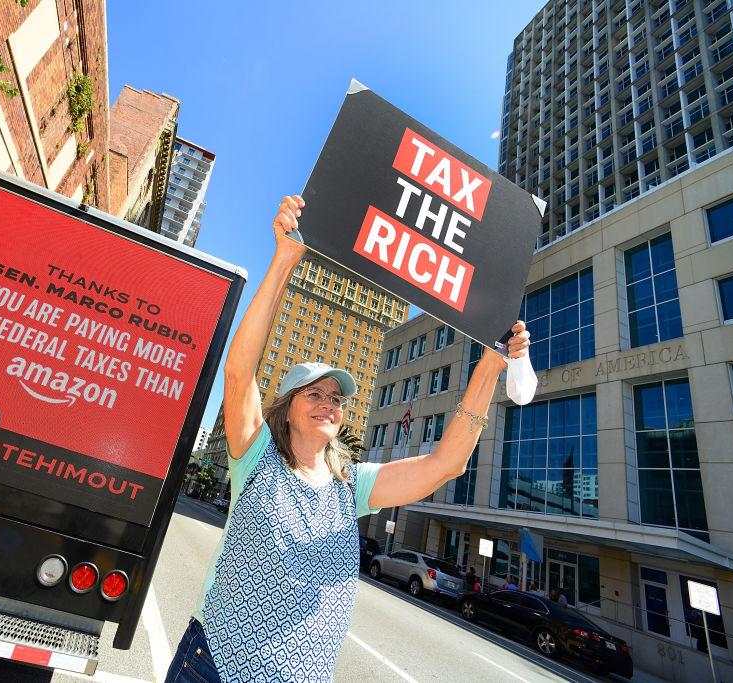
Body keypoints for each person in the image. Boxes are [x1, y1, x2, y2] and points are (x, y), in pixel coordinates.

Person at [164, 195, 532, 682]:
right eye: (313, 392)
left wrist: (489, 366)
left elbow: (444, 467)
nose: (328, 402)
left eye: (337, 398)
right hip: (215, 667)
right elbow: (239, 373)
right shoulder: (255, 459)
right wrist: (284, 259)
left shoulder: (350, 486)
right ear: (288, 409)